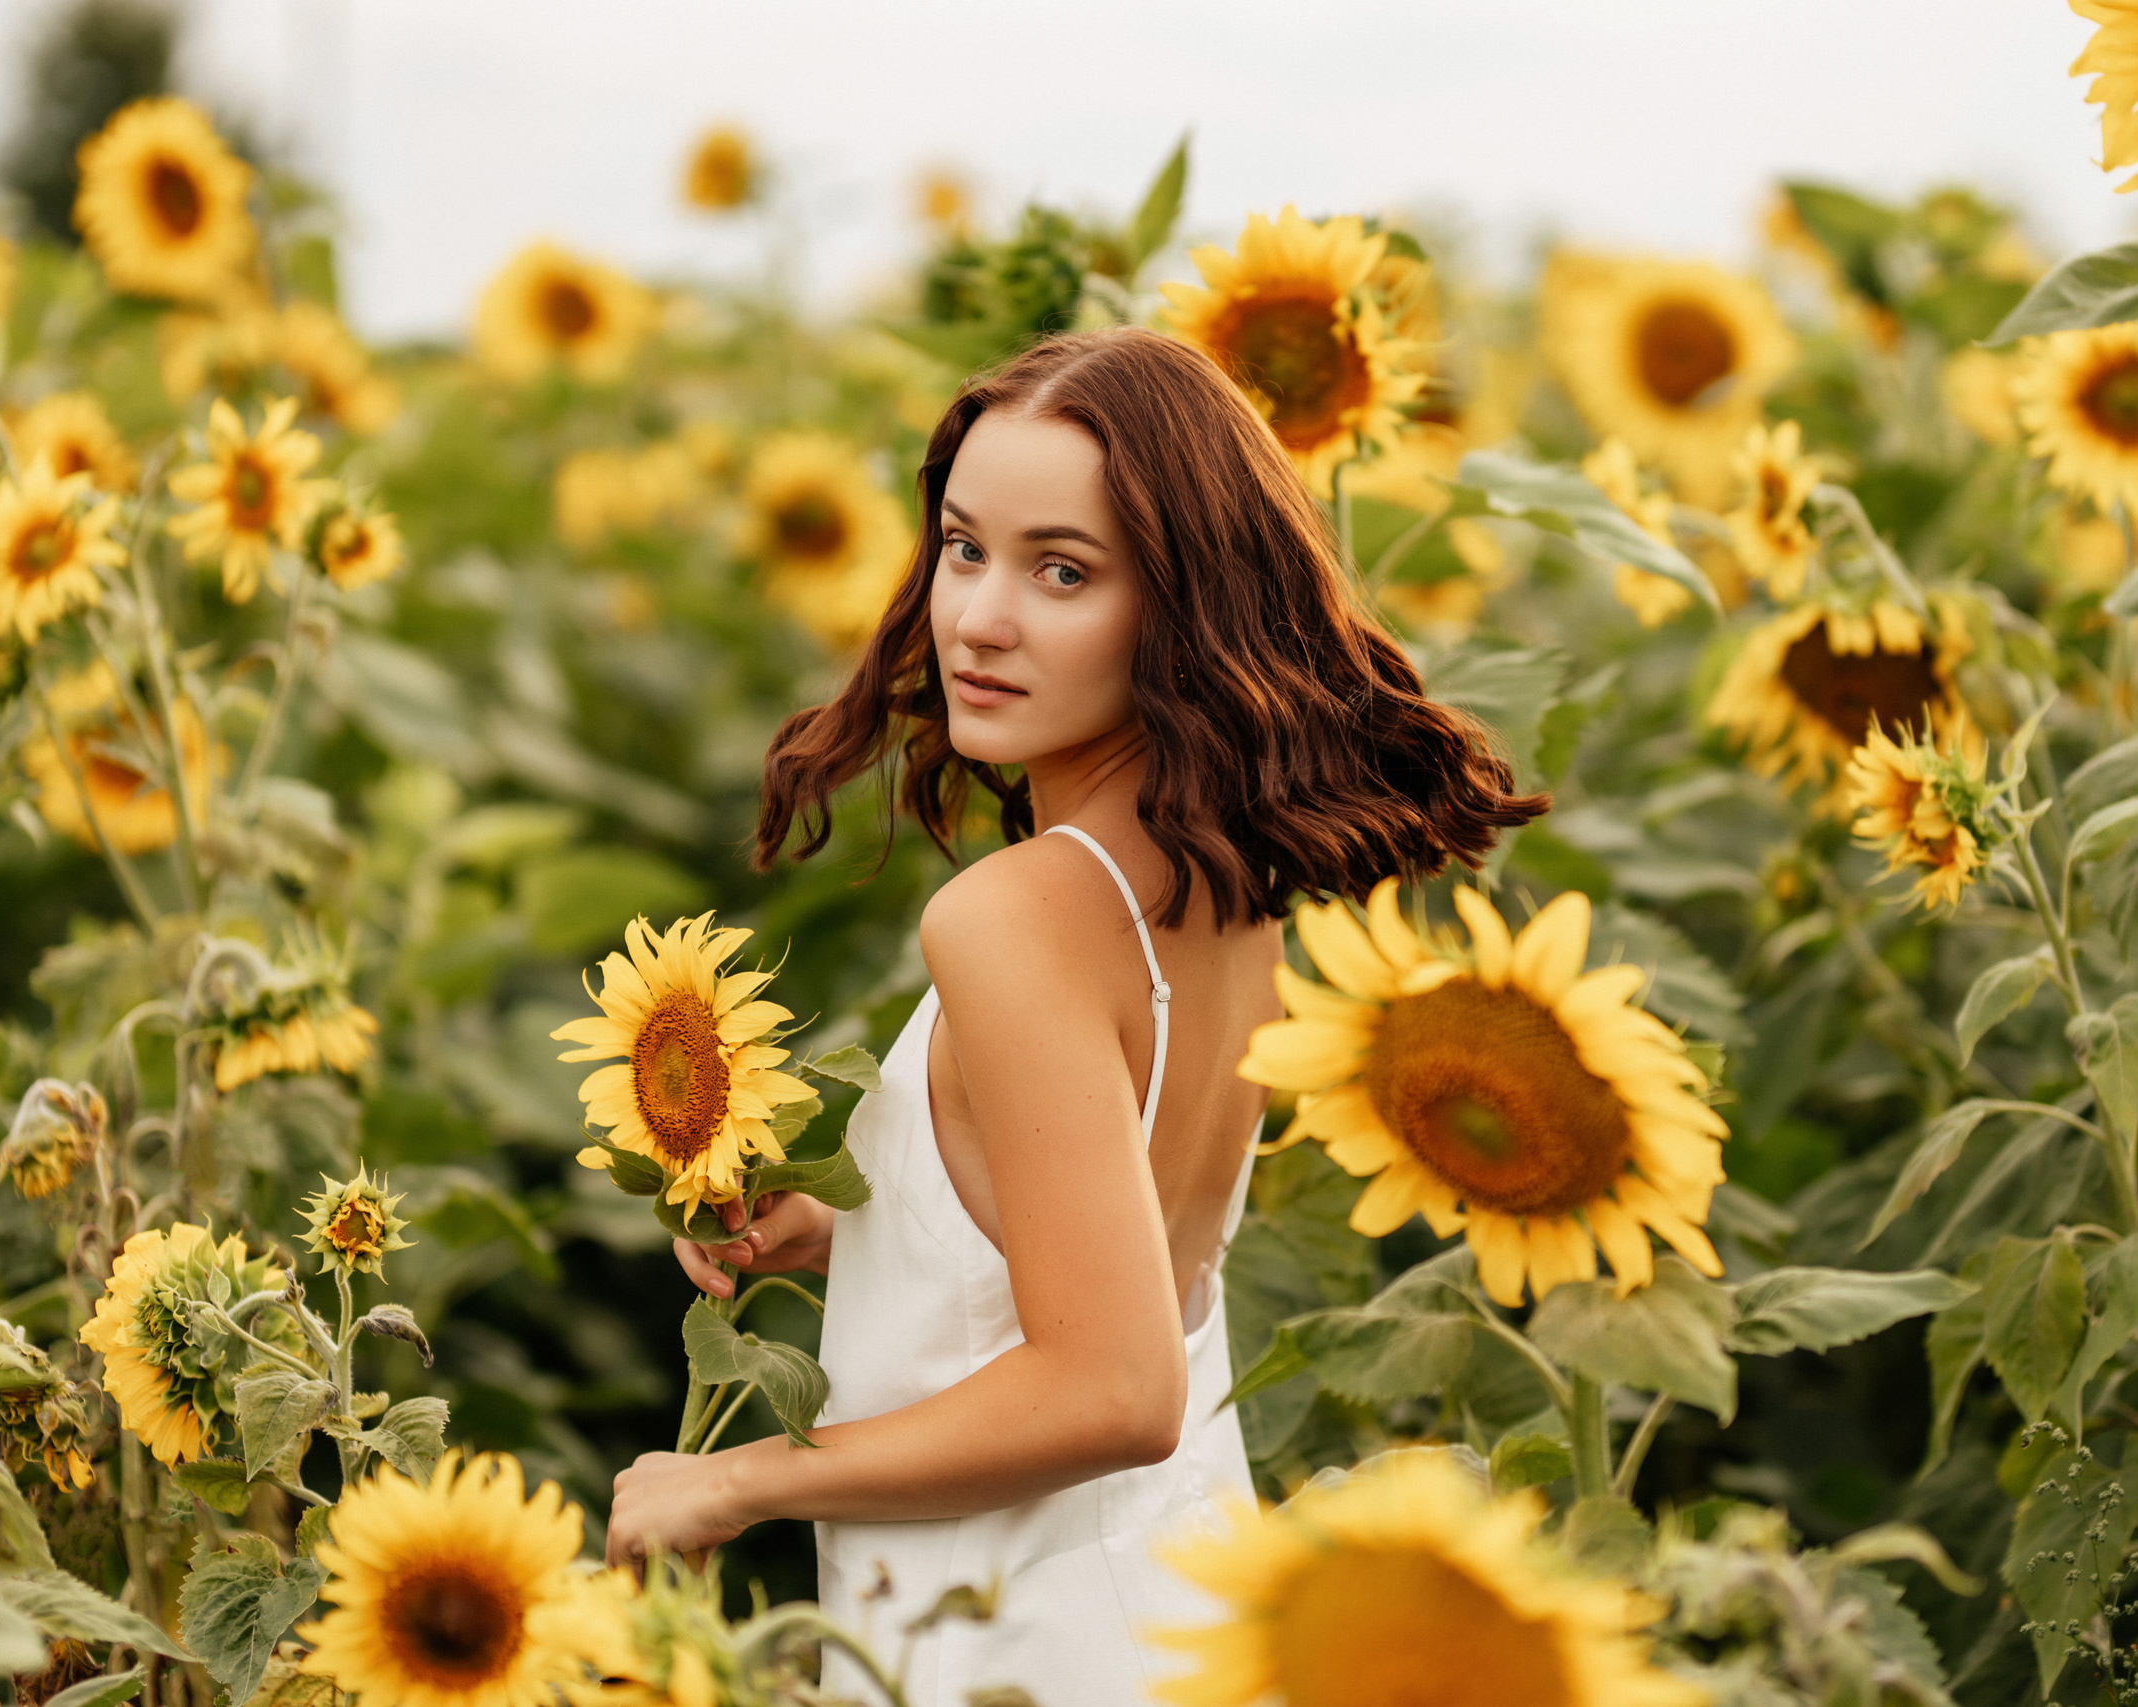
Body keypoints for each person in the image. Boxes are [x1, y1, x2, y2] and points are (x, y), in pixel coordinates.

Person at [601, 326, 1545, 1704]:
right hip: (1174, 1609)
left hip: (1015, 1644)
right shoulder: (1220, 884)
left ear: (1180, 607)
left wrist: (738, 1481)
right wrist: (873, 1228)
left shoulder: (1015, 917)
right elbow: (1121, 1228)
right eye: (965, 548)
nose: (980, 616)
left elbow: (1114, 1385)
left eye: (1063, 571)